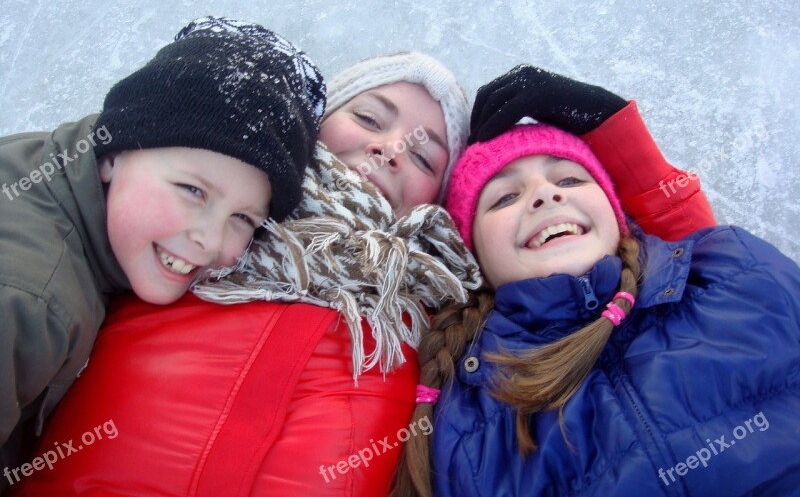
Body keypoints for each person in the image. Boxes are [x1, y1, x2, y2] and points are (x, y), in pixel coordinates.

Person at [15, 64, 717, 496]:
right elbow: (59, 198)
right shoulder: (198, 241)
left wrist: (614, 134)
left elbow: (693, 280)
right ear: (310, 130)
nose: (389, 146)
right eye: (369, 117)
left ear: (440, 202)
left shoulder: (446, 309)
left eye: (425, 151)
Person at [392, 120, 800, 496]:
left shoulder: (732, 266)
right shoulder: (461, 418)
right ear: (475, 256)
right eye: (505, 197)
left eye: (569, 178)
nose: (546, 194)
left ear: (614, 210)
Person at [0, 16, 324, 482]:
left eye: (243, 219)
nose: (210, 241)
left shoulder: (54, 169)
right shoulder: (31, 303)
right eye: (193, 190)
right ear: (113, 154)